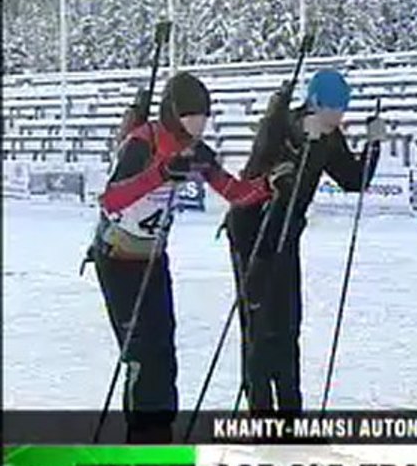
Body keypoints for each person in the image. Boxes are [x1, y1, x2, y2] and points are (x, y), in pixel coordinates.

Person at [92, 71, 278, 443]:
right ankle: (142, 442)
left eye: (204, 118)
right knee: (143, 354)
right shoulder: (141, 143)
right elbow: (111, 200)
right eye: (193, 117)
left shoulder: (196, 151)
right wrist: (162, 172)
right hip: (118, 258)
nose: (199, 126)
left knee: (164, 351)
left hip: (153, 259)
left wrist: (268, 186)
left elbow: (233, 192)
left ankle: (160, 434)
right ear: (175, 114)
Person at [225, 69, 386, 412]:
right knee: (259, 326)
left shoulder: (329, 136)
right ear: (314, 103)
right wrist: (298, 140)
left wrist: (373, 145)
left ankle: (290, 412)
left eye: (342, 110)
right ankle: (261, 413)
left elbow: (353, 180)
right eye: (332, 109)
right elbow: (263, 157)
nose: (337, 117)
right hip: (253, 231)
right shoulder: (285, 124)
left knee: (287, 324)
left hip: (286, 234)